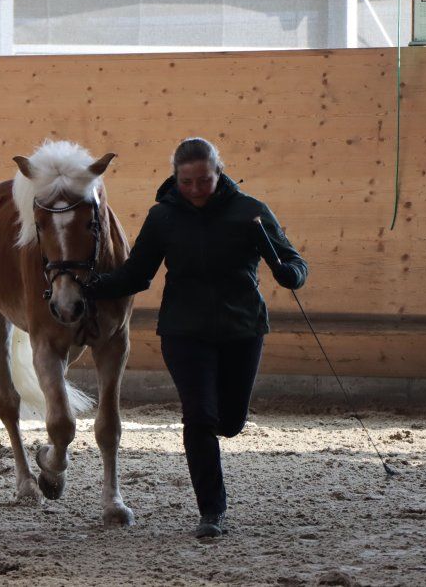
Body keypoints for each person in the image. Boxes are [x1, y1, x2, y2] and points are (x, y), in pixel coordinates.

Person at [83, 137, 307, 538]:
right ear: (176, 178)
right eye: (187, 182)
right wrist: (91, 285)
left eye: (203, 180)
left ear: (218, 173)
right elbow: (137, 274)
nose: (196, 190)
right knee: (199, 416)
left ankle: (216, 458)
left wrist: (290, 272)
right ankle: (211, 512)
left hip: (242, 329)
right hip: (184, 331)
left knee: (231, 422)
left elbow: (293, 260)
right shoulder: (163, 218)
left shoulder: (250, 212)